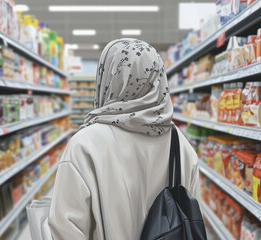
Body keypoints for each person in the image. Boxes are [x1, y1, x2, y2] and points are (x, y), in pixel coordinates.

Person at [41, 39, 201, 240]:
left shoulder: (85, 145)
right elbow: (194, 220)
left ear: (107, 78)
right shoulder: (181, 145)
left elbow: (64, 233)